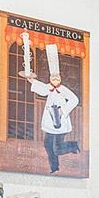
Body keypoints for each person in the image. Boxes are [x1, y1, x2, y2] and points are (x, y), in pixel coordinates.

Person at [21, 41, 80, 174]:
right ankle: (54, 168)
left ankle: (73, 145)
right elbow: (41, 88)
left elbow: (75, 99)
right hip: (49, 122)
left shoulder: (63, 90)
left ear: (60, 78)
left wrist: (62, 111)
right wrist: (31, 80)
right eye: (52, 77)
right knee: (48, 146)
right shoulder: (49, 87)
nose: (54, 79)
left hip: (60, 122)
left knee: (57, 148)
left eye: (57, 77)